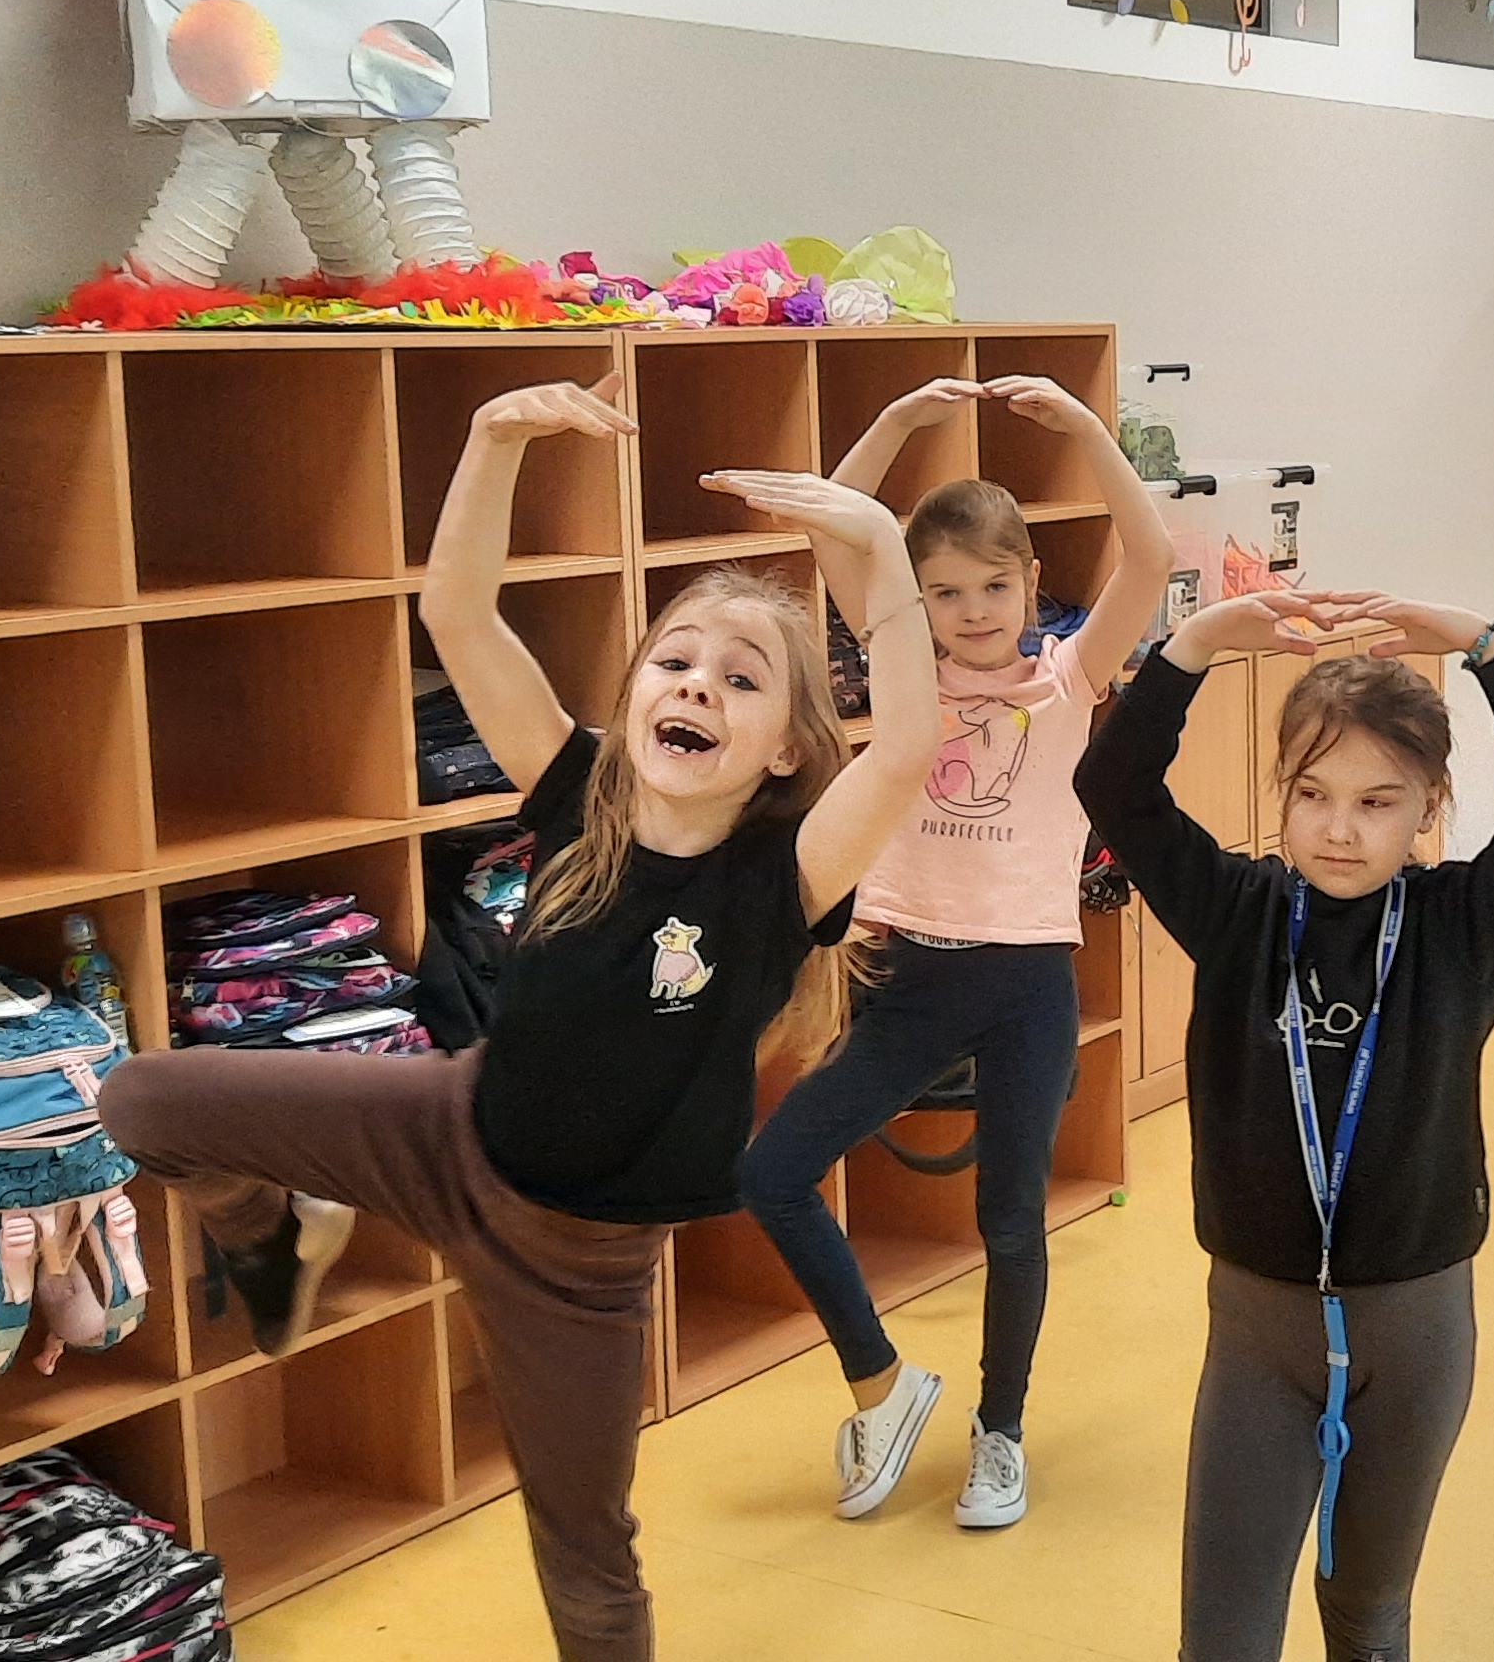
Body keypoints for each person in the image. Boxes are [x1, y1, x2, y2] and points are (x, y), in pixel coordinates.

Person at [97, 378, 940, 1662]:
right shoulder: (576, 789)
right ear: (635, 691)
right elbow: (456, 611)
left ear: (785, 749)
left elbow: (906, 751)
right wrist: (492, 439)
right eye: (675, 663)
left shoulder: (786, 879)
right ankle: (276, 1235)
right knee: (140, 1100)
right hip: (446, 1128)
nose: (697, 688)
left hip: (581, 1269)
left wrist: (878, 549)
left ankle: (295, 1234)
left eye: (741, 680)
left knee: (586, 1559)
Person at [1076, 586, 1494, 1662]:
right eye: (1312, 794)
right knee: (1222, 1639)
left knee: (1368, 1620)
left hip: (1417, 1328)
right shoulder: (1236, 911)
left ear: (1429, 807)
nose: (1339, 828)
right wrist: (1193, 644)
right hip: (1257, 1332)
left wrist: (1484, 645)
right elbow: (1113, 786)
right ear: (1281, 792)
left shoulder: (1464, 925)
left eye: (1377, 800)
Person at [734, 374, 1174, 1530]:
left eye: (993, 585)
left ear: (1032, 580)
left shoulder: (1069, 677)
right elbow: (836, 527)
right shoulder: (905, 675)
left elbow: (1149, 551)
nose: (972, 611)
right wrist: (892, 420)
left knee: (1011, 1222)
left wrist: (1085, 429)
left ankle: (1001, 1432)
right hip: (907, 979)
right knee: (772, 1173)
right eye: (942, 591)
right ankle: (884, 1384)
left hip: (1025, 983)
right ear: (913, 601)